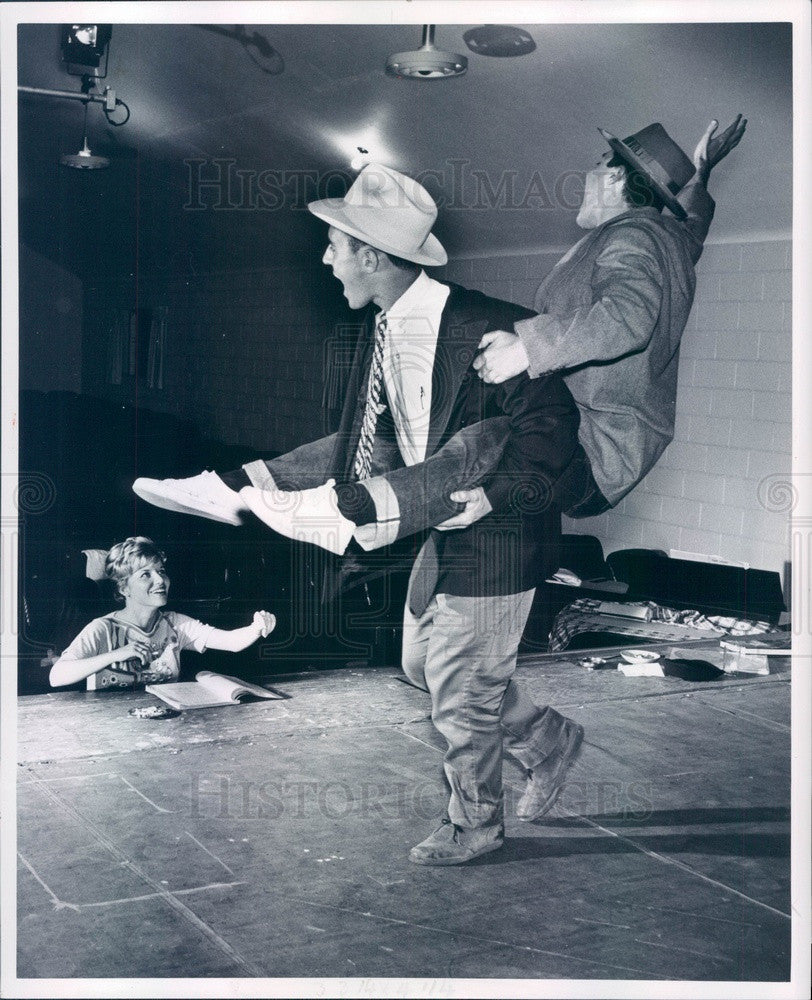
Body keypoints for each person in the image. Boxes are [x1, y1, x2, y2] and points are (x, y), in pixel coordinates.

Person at [133, 164, 585, 865]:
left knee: (461, 693)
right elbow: (367, 441)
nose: (324, 258)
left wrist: (497, 495)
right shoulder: (385, 331)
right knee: (420, 665)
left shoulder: (488, 326)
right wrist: (255, 479)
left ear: (371, 255)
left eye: (333, 246)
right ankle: (547, 739)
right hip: (444, 526)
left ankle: (476, 823)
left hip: (501, 531)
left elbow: (553, 428)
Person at [143, 117, 746, 551]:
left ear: (616, 181)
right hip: (596, 435)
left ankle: (343, 511)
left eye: (597, 168)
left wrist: (528, 349)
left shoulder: (631, 238)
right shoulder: (669, 239)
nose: (586, 179)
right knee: (392, 440)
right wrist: (701, 172)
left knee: (479, 438)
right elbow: (693, 220)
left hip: (590, 446)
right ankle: (232, 487)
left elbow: (628, 318)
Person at [49, 536, 276, 689]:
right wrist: (116, 654)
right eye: (145, 574)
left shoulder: (174, 623)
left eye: (161, 571)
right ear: (123, 588)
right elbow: (56, 676)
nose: (161, 580)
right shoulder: (102, 629)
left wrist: (256, 627)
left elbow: (231, 642)